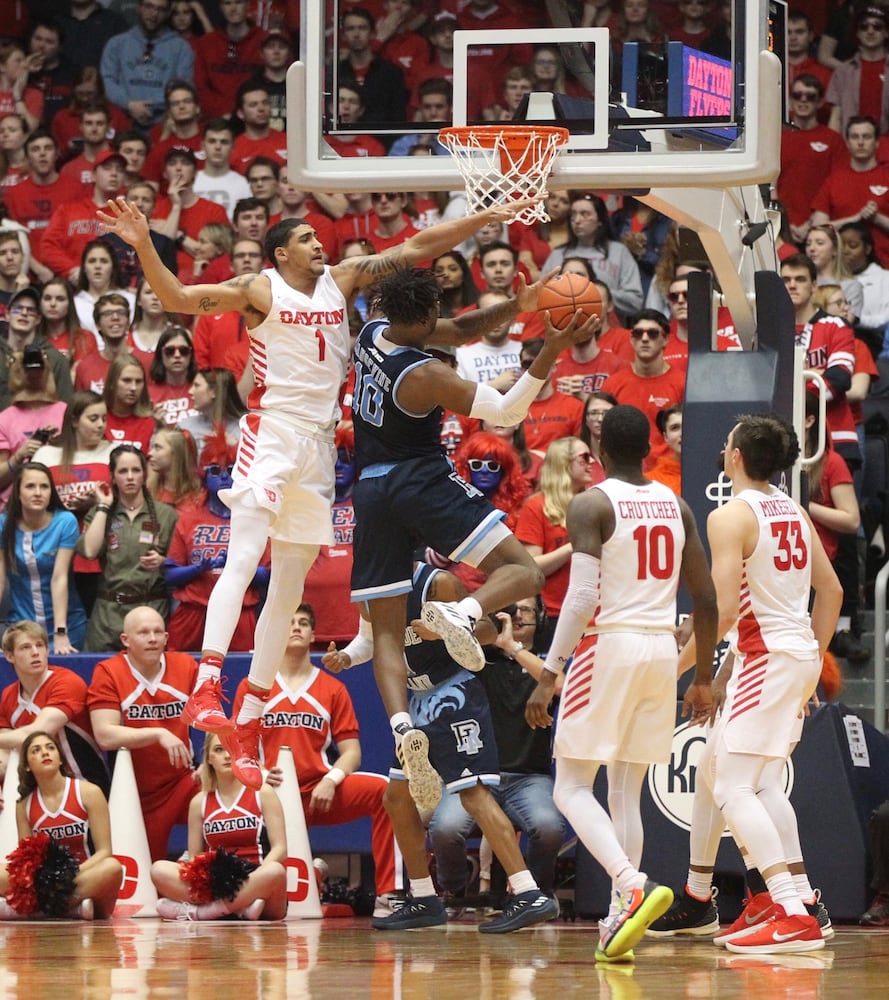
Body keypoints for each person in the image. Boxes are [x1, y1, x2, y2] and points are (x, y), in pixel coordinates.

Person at [96, 185, 543, 791]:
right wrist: (146, 243)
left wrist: (484, 217)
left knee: (288, 587)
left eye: (315, 236)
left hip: (320, 446)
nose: (317, 242)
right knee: (244, 554)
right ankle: (206, 684)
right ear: (280, 255)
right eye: (304, 238)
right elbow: (176, 296)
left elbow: (417, 244)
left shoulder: (345, 277)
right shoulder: (261, 290)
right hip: (272, 431)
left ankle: (250, 716)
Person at [349, 267, 595, 808]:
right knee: (523, 570)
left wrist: (520, 302)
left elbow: (460, 330)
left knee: (388, 632)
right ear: (425, 315)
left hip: (368, 490)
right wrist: (550, 347)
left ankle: (400, 729)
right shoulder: (426, 374)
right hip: (419, 479)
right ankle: (461, 615)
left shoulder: (372, 334)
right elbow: (508, 412)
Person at [525, 404, 718, 962]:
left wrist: (551, 671)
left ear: (602, 448)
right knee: (624, 791)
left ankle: (630, 885)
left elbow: (582, 596)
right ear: (649, 449)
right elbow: (705, 599)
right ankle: (616, 920)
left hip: (608, 644)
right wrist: (702, 676)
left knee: (570, 787)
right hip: (661, 648)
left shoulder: (592, 502)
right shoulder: (676, 504)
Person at [667, 413, 842, 955]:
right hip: (791, 657)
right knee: (757, 783)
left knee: (731, 787)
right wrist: (807, 660)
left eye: (726, 445)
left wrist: (668, 673)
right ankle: (789, 902)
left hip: (768, 659)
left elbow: (717, 615)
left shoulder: (731, 516)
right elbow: (831, 592)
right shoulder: (794, 510)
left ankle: (792, 912)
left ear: (736, 456)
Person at [327, 563, 560, 933]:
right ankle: (423, 897)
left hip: (454, 693)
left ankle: (528, 892)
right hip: (416, 701)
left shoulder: (438, 583)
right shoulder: (371, 586)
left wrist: (444, 633)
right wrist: (348, 658)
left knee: (473, 794)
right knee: (397, 799)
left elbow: (488, 631)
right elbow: (372, 641)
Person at [234, 604, 401, 915]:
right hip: (269, 795)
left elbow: (352, 752)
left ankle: (389, 894)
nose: (296, 627)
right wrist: (257, 772)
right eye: (289, 622)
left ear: (313, 634)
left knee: (387, 791)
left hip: (317, 792)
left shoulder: (332, 688)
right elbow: (237, 747)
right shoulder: (253, 686)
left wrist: (331, 779)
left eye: (304, 623)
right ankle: (298, 879)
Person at [429, 596, 565, 903]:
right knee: (445, 829)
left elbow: (560, 685)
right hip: (475, 777)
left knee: (549, 828)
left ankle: (538, 895)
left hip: (528, 777)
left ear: (540, 618)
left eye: (525, 610)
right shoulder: (477, 661)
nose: (516, 616)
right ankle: (454, 889)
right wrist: (489, 629)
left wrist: (511, 647)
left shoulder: (545, 664)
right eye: (509, 611)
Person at [88, 605, 200, 862]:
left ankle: (213, 880)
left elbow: (213, 722)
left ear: (166, 638)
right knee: (144, 872)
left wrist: (207, 765)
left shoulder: (187, 666)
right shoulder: (108, 672)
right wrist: (157, 734)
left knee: (224, 805)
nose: (152, 638)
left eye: (158, 632)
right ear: (125, 639)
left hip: (183, 779)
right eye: (144, 633)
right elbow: (104, 734)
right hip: (135, 791)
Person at [150, 732, 287, 921]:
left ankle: (204, 912)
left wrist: (251, 883)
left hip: (256, 881)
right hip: (218, 884)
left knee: (276, 871)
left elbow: (280, 848)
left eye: (233, 749)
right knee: (159, 869)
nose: (227, 755)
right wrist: (209, 884)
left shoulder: (262, 792)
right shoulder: (199, 802)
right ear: (209, 759)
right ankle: (237, 908)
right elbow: (194, 858)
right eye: (219, 750)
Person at [0, 730, 121, 920]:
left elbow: (105, 851)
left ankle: (38, 911)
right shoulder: (24, 804)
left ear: (60, 759)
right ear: (28, 766)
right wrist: (42, 880)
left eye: (50, 748)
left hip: (82, 876)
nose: (45, 753)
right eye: (36, 750)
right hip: (44, 883)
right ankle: (73, 909)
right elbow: (25, 859)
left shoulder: (89, 792)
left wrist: (68, 875)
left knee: (112, 868)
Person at [165, 450, 269, 651]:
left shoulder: (256, 520)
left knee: (240, 675)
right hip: (193, 612)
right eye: (215, 470)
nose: (223, 476)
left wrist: (239, 567)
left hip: (240, 612)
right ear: (203, 477)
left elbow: (268, 576)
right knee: (183, 674)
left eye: (231, 470)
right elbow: (169, 575)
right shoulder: (187, 521)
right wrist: (197, 569)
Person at [77, 444, 176, 652]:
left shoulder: (167, 514)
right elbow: (89, 551)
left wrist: (163, 561)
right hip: (108, 613)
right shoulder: (100, 512)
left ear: (144, 474)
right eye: (123, 471)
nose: (130, 477)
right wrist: (104, 506)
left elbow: (183, 562)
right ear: (112, 476)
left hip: (150, 607)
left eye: (136, 470)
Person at [0, 621, 108, 794]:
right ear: (9, 656)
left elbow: (35, 734)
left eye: (40, 645)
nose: (35, 653)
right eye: (25, 647)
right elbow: (5, 750)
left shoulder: (66, 682)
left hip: (84, 786)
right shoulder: (8, 696)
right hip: (37, 791)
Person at [0, 466, 86, 652]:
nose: (38, 493)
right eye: (30, 486)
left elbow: (59, 577)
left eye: (44, 487)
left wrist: (60, 631)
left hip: (67, 626)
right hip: (21, 627)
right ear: (18, 492)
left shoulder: (65, 521)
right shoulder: (3, 524)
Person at [600, 309, 686, 467]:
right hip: (627, 471)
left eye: (652, 333)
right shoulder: (613, 384)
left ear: (666, 339)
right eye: (638, 334)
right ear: (631, 340)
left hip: (673, 471)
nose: (645, 339)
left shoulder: (683, 383)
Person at [543, 193, 643, 323]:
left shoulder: (619, 252)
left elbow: (635, 302)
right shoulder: (558, 255)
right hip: (565, 327)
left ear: (600, 220)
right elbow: (542, 296)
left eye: (585, 214)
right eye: (573, 214)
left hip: (609, 329)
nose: (577, 220)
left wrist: (595, 293)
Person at [99, 0, 194, 130]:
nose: (154, 14)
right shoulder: (116, 44)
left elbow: (184, 87)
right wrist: (129, 104)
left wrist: (152, 106)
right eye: (149, 6)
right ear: (139, 8)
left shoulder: (181, 48)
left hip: (165, 125)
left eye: (160, 9)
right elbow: (107, 81)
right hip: (122, 122)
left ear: (168, 13)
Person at [178, 367, 245, 464]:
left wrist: (235, 447)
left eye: (197, 386)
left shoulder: (246, 428)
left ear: (214, 391)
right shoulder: (185, 427)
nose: (190, 391)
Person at [73, 239, 136, 337]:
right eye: (92, 261)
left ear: (113, 267)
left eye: (104, 261)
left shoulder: (131, 300)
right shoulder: (73, 304)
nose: (98, 266)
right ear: (84, 268)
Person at [101, 353, 158, 453]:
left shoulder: (150, 422)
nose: (133, 388)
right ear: (112, 383)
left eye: (138, 381)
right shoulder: (98, 419)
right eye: (126, 380)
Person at [148, 325, 198, 427]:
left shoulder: (201, 390)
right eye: (170, 351)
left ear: (191, 354)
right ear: (160, 354)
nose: (177, 355)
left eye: (183, 350)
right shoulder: (148, 394)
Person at [146, 425, 203, 509]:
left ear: (176, 454)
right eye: (152, 447)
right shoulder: (148, 491)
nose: (150, 453)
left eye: (158, 448)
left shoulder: (200, 496)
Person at [579, 390, 618, 485]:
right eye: (594, 413)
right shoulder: (577, 458)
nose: (600, 419)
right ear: (586, 419)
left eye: (606, 413)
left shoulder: (629, 457)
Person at [648, 404, 682, 495]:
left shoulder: (717, 475)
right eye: (675, 428)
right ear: (665, 436)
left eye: (688, 426)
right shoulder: (650, 481)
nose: (682, 433)